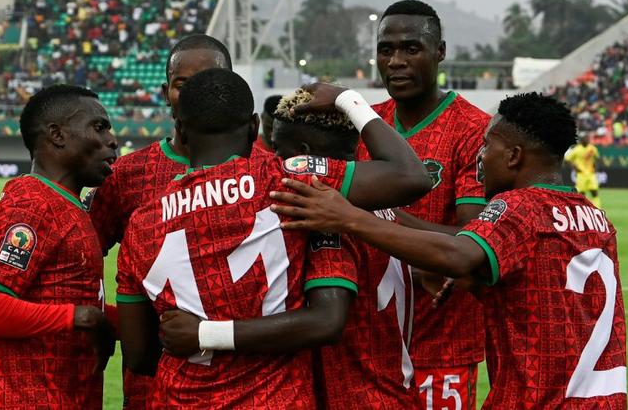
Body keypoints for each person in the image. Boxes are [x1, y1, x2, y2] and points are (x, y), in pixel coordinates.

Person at [271, 92, 627, 409]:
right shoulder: (595, 217)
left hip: (538, 399)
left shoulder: (519, 207)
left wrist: (347, 217)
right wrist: (476, 278)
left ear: (515, 156)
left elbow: (457, 253)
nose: (481, 158)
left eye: (488, 147)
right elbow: (546, 286)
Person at [115, 69, 431, 408]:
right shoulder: (288, 180)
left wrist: (202, 336)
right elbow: (411, 176)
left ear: (180, 129)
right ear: (254, 128)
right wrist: (346, 97)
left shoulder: (140, 223)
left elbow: (139, 357)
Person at [86, 33, 235, 410]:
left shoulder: (266, 169)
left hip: (250, 378)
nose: (195, 95)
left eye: (208, 83)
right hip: (153, 386)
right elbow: (80, 256)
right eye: (183, 85)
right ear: (165, 90)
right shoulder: (128, 174)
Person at [0, 84, 119, 409]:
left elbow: (74, 302)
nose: (112, 139)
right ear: (57, 135)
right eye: (99, 127)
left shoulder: (68, 205)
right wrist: (80, 317)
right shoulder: (32, 205)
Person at [363, 0, 490, 407]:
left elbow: (473, 241)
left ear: (440, 52)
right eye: (387, 50)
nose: (396, 61)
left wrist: (383, 216)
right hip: (370, 345)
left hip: (443, 345)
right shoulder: (366, 125)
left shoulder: (474, 130)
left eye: (411, 48)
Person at [565, 133, 602, 208]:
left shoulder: (592, 148)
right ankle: (582, 209)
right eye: (585, 138)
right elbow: (567, 160)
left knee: (594, 192)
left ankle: (597, 208)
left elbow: (598, 159)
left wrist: (596, 168)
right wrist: (574, 168)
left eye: (587, 138)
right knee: (581, 194)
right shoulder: (576, 150)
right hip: (581, 174)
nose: (587, 140)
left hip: (591, 174)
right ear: (581, 140)